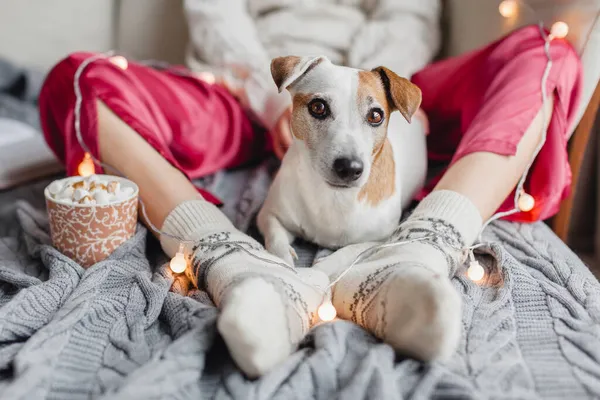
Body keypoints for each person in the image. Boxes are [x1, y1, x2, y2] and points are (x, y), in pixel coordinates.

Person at [39, 0, 581, 377]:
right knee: (78, 77)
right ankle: (224, 253)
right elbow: (216, 18)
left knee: (545, 54)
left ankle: (424, 245)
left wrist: (357, 86)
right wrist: (283, 96)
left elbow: (409, 19)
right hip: (245, 89)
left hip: (382, 90)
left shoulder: (383, 91)